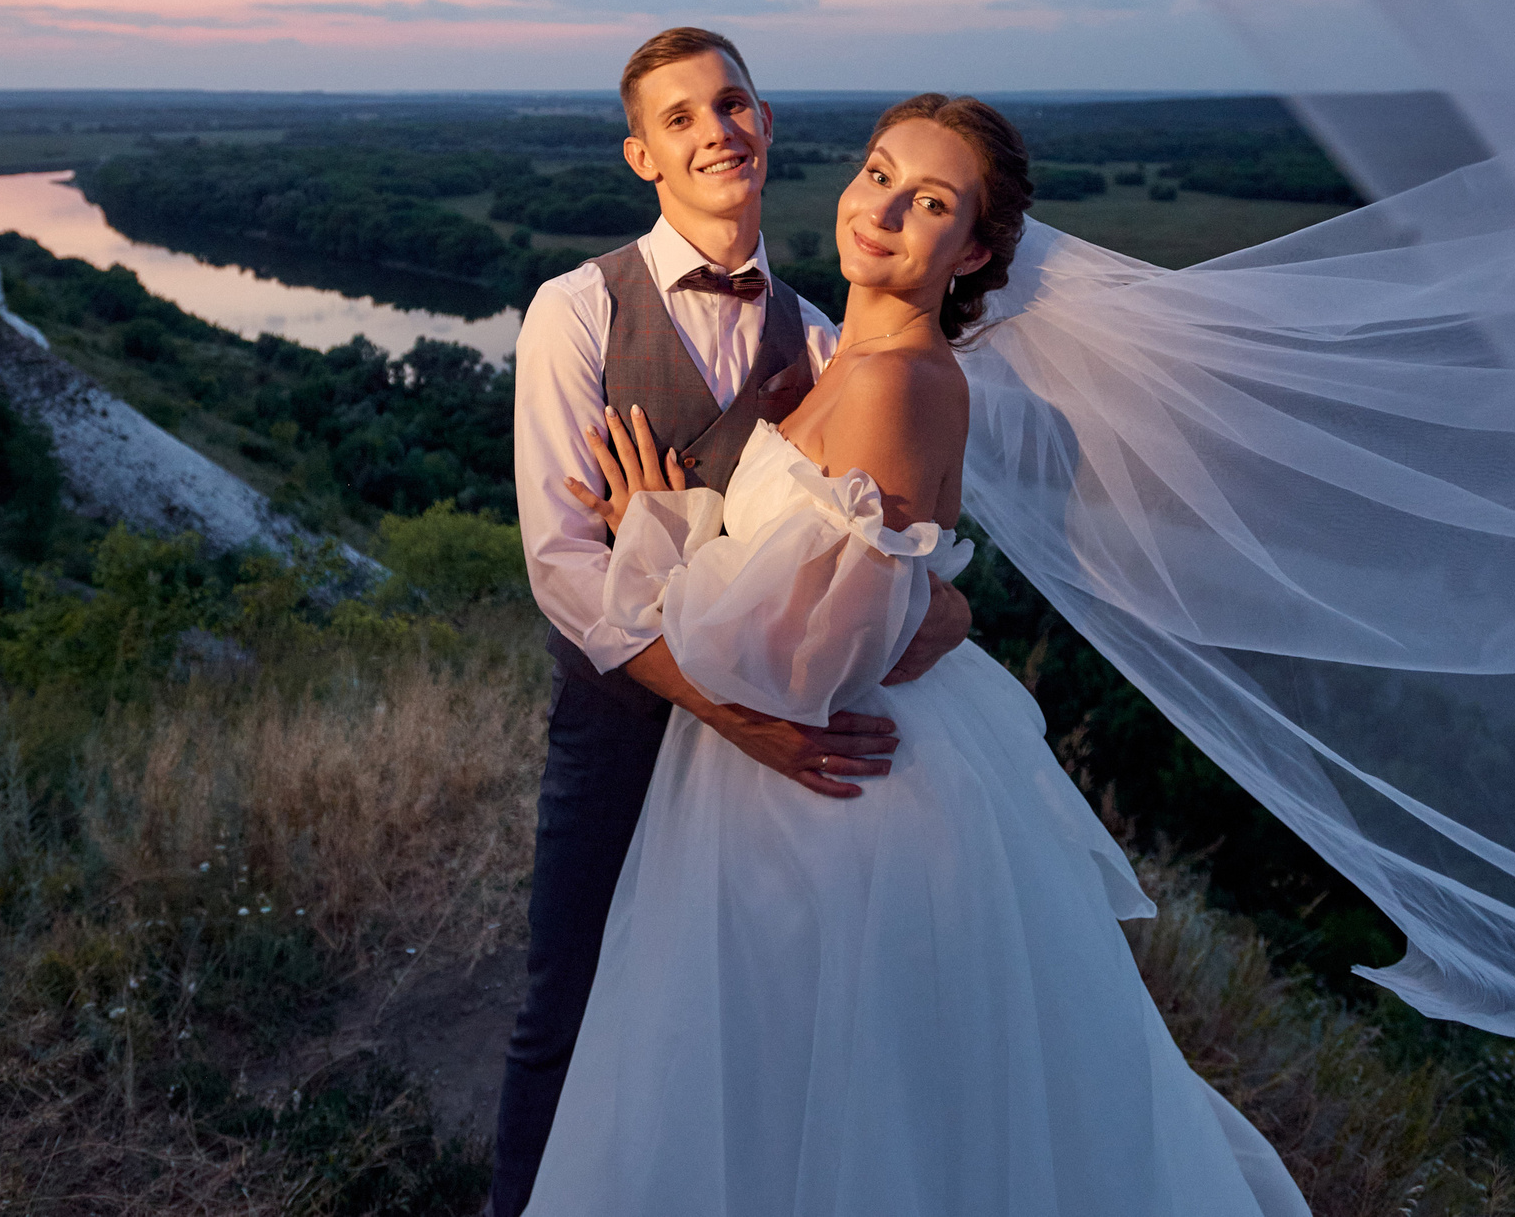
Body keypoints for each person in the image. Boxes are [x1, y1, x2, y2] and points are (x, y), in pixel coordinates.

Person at [521, 94, 1307, 1215]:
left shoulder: (894, 379)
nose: (882, 210)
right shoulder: (842, 360)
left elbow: (804, 665)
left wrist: (658, 526)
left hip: (839, 792)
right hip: (794, 784)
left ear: (975, 248)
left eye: (930, 201)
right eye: (878, 172)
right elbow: (880, 588)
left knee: (831, 1103)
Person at [493, 28, 977, 1217]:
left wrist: (937, 610)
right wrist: (732, 710)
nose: (714, 128)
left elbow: (891, 576)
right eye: (679, 117)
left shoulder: (822, 338)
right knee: (570, 998)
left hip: (774, 752)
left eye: (732, 102)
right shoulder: (575, 310)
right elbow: (562, 568)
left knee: (741, 1013)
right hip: (628, 723)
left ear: (765, 124)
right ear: (641, 155)